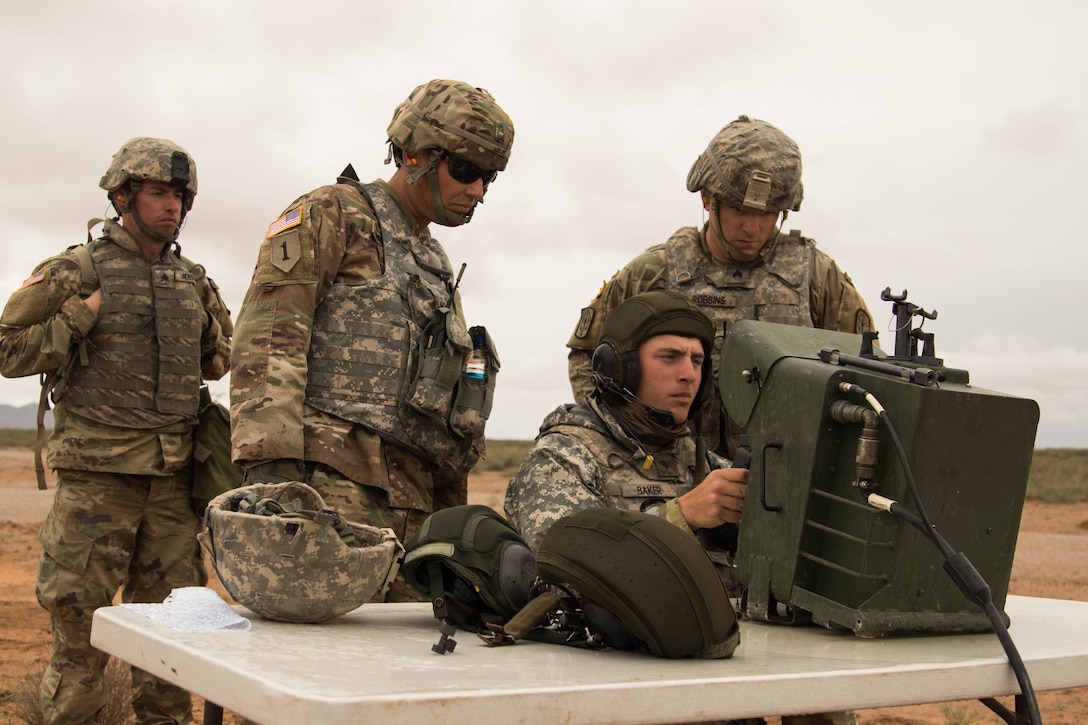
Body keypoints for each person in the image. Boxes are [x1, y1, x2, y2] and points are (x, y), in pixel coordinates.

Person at [506, 290, 853, 725]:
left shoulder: (703, 462)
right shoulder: (563, 457)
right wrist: (681, 516)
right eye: (670, 357)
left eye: (697, 361)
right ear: (620, 370)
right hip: (619, 684)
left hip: (720, 666)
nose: (689, 374)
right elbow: (570, 564)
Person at [229, 79, 515, 600]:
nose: (476, 190)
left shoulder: (433, 261)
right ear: (414, 153)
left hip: (412, 503)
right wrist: (273, 484)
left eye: (488, 178)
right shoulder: (334, 213)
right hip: (331, 492)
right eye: (466, 170)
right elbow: (270, 340)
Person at [0, 137, 233, 724]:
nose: (172, 206)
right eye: (158, 192)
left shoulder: (194, 280)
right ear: (123, 196)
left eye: (180, 195)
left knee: (170, 648)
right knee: (79, 640)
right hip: (96, 487)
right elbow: (7, 351)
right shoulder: (74, 270)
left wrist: (203, 331)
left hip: (172, 487)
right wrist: (79, 317)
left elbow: (218, 362)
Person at [567, 115, 873, 458]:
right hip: (673, 475)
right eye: (741, 209)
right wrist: (625, 443)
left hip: (785, 476)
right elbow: (588, 356)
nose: (753, 227)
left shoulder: (817, 276)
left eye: (770, 212)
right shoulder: (653, 272)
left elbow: (867, 372)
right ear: (708, 199)